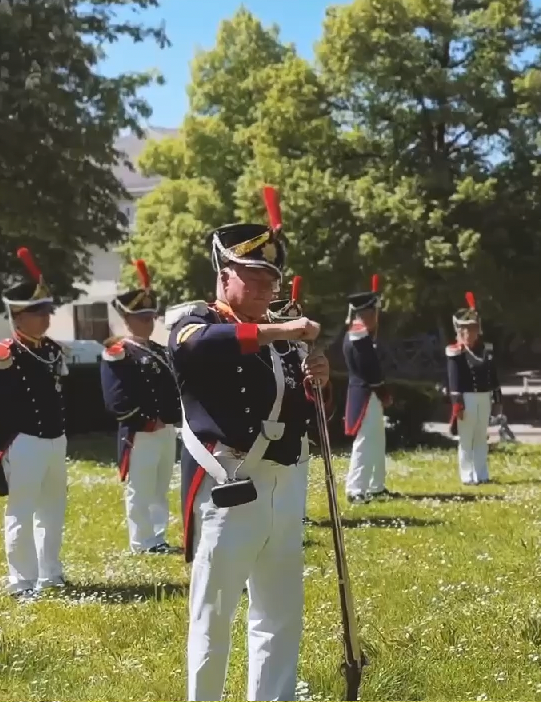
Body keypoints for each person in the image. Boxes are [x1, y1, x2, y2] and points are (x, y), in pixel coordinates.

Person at [167, 220, 333, 701]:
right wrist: (278, 328)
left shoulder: (279, 337)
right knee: (213, 615)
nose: (265, 287)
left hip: (285, 480)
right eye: (252, 276)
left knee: (279, 612)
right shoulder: (196, 320)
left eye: (271, 279)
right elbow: (196, 346)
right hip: (231, 479)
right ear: (223, 274)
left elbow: (304, 411)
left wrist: (319, 379)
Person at [0, 247, 70, 600]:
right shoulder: (3, 355)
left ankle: (51, 574)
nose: (46, 318)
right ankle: (22, 582)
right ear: (19, 316)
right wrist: (5, 442)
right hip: (23, 441)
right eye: (39, 312)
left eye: (46, 311)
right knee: (22, 511)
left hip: (54, 439)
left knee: (53, 510)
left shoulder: (51, 350)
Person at [101, 259, 182, 555]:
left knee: (160, 486)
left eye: (151, 317)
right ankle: (141, 540)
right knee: (140, 488)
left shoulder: (159, 350)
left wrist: (172, 419)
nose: (149, 323)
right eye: (143, 318)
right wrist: (148, 420)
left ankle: (157, 538)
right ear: (128, 319)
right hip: (140, 431)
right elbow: (116, 399)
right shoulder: (117, 352)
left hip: (165, 430)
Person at [343, 274, 392, 503]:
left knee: (376, 441)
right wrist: (383, 392)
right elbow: (370, 370)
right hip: (366, 394)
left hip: (368, 395)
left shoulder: (360, 335)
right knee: (364, 443)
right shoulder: (359, 336)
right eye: (372, 313)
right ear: (365, 314)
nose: (375, 317)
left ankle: (375, 485)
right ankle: (355, 489)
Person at [446, 292, 502, 485]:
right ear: (459, 332)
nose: (469, 334)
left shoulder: (486, 350)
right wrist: (457, 404)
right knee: (466, 439)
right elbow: (454, 381)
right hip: (466, 399)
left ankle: (482, 473)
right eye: (465, 330)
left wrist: (498, 400)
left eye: (472, 329)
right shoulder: (456, 352)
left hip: (484, 397)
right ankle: (466, 474)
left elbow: (493, 377)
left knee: (480, 436)